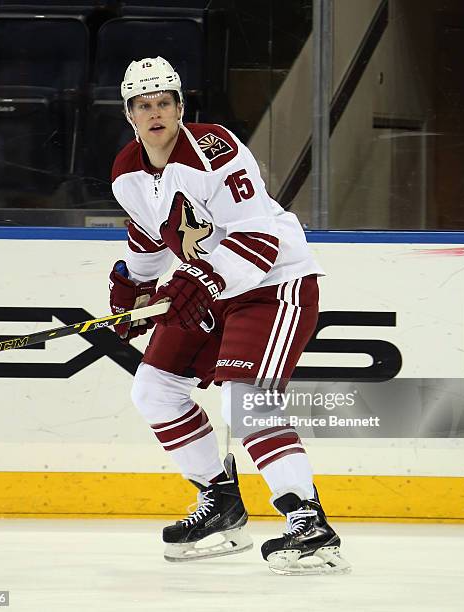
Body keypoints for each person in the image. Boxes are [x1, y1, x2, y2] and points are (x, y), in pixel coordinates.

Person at [109, 56, 350, 575]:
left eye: (165, 103)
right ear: (129, 113)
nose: (155, 113)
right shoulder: (127, 169)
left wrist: (201, 281)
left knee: (249, 404)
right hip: (212, 287)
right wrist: (134, 288)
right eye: (144, 105)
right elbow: (150, 237)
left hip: (273, 283)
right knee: (152, 389)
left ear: (179, 106)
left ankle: (309, 523)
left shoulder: (213, 149)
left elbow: (260, 238)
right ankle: (222, 504)